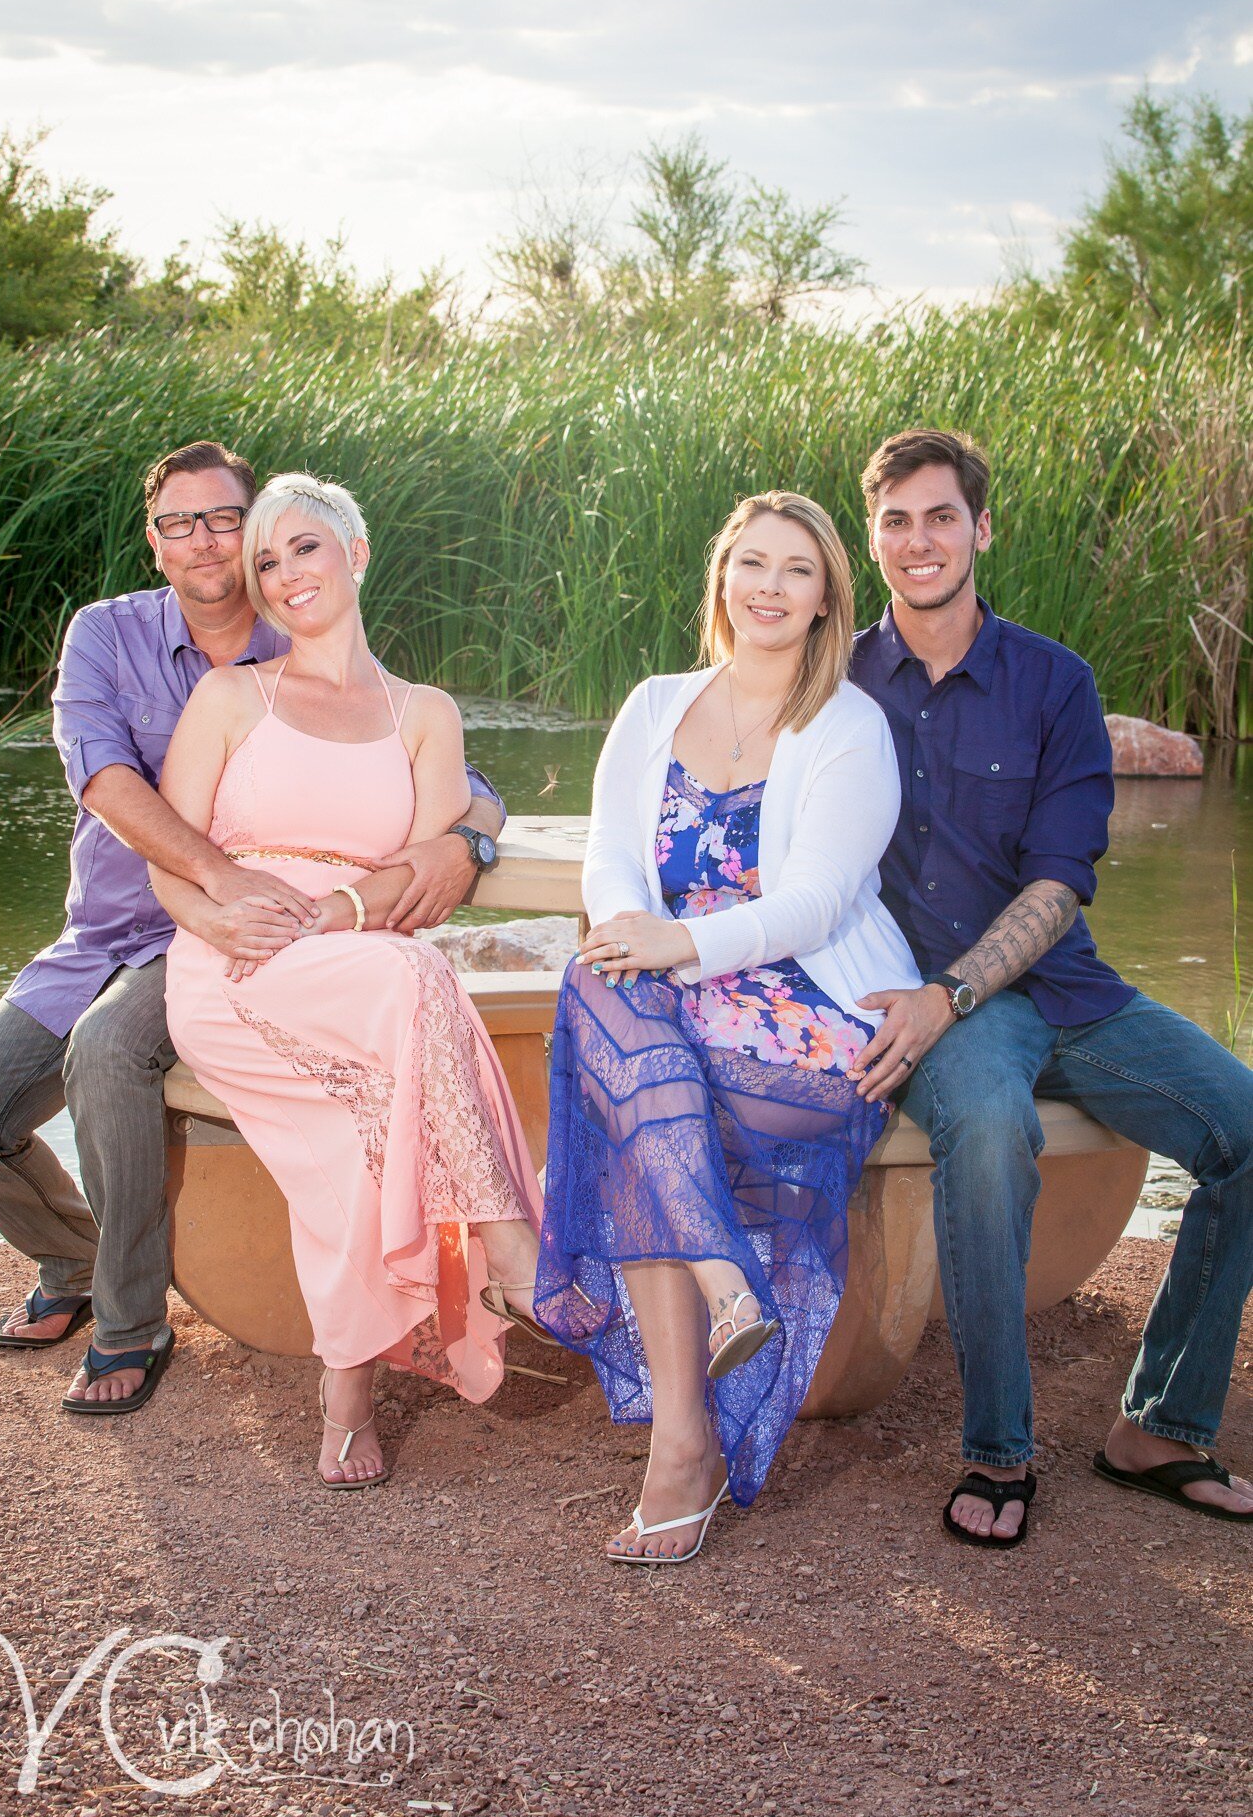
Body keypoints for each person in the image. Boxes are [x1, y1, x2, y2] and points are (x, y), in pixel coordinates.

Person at [0, 441, 506, 1417]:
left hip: (226, 944)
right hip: (108, 930)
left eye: (224, 519)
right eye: (177, 522)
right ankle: (74, 1258)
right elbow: (104, 778)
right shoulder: (106, 634)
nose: (202, 539)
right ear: (153, 542)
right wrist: (220, 871)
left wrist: (469, 841)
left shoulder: (301, 630)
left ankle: (130, 1320)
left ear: (254, 529)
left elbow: (447, 772)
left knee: (109, 1051)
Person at [848, 427, 1253, 1545]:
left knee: (1245, 1127)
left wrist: (955, 992)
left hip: (1056, 989)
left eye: (941, 517)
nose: (919, 541)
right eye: (895, 520)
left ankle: (1160, 1426)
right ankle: (998, 1447)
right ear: (871, 537)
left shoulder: (1054, 681)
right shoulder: (835, 684)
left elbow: (1059, 882)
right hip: (920, 1003)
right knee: (987, 1129)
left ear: (981, 529)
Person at [535, 491, 920, 1563]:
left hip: (805, 1002)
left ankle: (684, 1445)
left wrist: (675, 945)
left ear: (826, 599)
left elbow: (816, 903)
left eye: (797, 570)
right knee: (598, 985)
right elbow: (610, 852)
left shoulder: (848, 725)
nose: (769, 586)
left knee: (634, 1099)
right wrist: (631, 930)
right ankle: (703, 1368)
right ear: (722, 578)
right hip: (672, 994)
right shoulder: (656, 702)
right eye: (752, 562)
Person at [152, 472, 543, 1487]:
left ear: (356, 554)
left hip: (362, 960)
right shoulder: (231, 697)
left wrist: (354, 903)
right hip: (237, 962)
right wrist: (219, 919)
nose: (285, 573)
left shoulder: (425, 714)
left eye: (305, 547)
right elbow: (169, 860)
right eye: (266, 561)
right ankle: (511, 1245)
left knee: (373, 1115)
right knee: (413, 977)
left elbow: (428, 879)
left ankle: (347, 1397)